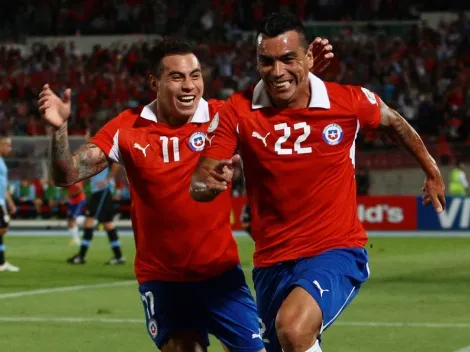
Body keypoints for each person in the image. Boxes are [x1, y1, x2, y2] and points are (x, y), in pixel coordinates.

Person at [39, 37, 333, 352]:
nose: (189, 85)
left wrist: (306, 76)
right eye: (177, 77)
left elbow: (284, 119)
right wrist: (59, 129)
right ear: (155, 82)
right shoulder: (127, 128)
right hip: (164, 282)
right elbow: (67, 174)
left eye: (195, 75)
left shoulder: (224, 116)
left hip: (220, 276)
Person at [190, 12, 446, 352]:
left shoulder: (347, 101)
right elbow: (200, 181)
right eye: (266, 62)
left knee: (293, 329)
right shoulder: (237, 111)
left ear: (309, 57)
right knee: (281, 343)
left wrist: (431, 171)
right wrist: (209, 185)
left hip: (335, 249)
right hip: (271, 262)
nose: (277, 72)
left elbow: (394, 122)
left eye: (287, 59)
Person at [67, 162, 125, 264]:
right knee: (107, 224)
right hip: (98, 192)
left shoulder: (105, 153)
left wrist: (107, 180)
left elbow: (117, 164)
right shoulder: (96, 157)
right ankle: (118, 256)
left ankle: (81, 256)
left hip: (102, 192)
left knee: (91, 223)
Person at [0, 136, 19, 272]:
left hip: (1, 200)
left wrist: (10, 202)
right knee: (3, 228)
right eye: (7, 145)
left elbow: (3, 185)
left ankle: (1, 263)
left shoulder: (2, 161)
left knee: (3, 229)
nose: (9, 148)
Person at [66, 181, 87, 246]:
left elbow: (81, 189)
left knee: (74, 219)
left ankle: (76, 240)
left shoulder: (76, 180)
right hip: (72, 202)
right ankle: (75, 239)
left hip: (79, 201)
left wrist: (72, 194)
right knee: (69, 222)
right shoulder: (68, 180)